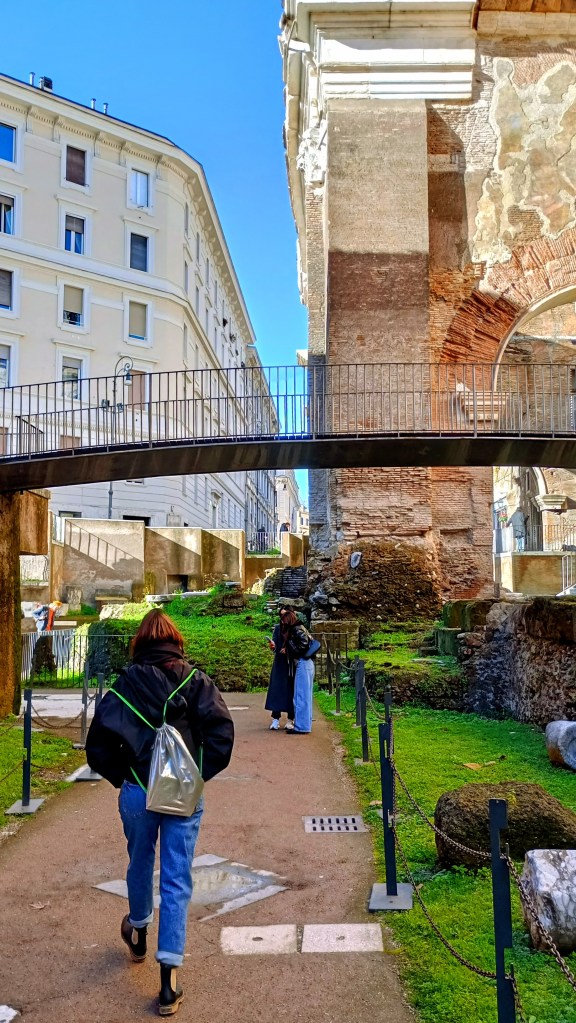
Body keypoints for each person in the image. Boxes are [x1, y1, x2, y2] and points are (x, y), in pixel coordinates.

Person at [86, 608, 234, 1017]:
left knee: (139, 862)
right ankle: (168, 978)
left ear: (140, 642)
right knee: (176, 878)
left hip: (137, 790)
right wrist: (192, 776)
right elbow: (221, 737)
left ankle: (137, 930)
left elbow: (97, 747)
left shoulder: (123, 687)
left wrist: (125, 777)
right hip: (183, 795)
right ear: (174, 640)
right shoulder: (196, 682)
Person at [271, 606, 317, 735]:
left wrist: (289, 649)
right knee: (302, 696)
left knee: (301, 696)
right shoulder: (297, 629)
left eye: (284, 619)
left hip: (302, 662)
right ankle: (302, 725)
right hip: (303, 663)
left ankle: (301, 727)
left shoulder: (297, 629)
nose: (282, 623)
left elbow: (302, 647)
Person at [264, 609, 295, 730]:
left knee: (291, 690)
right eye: (281, 615)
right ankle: (275, 719)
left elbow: (299, 645)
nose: (283, 618)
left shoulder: (294, 628)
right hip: (279, 662)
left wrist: (289, 650)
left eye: (285, 615)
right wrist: (273, 646)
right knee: (276, 689)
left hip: (291, 663)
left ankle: (290, 719)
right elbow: (275, 645)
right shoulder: (278, 628)